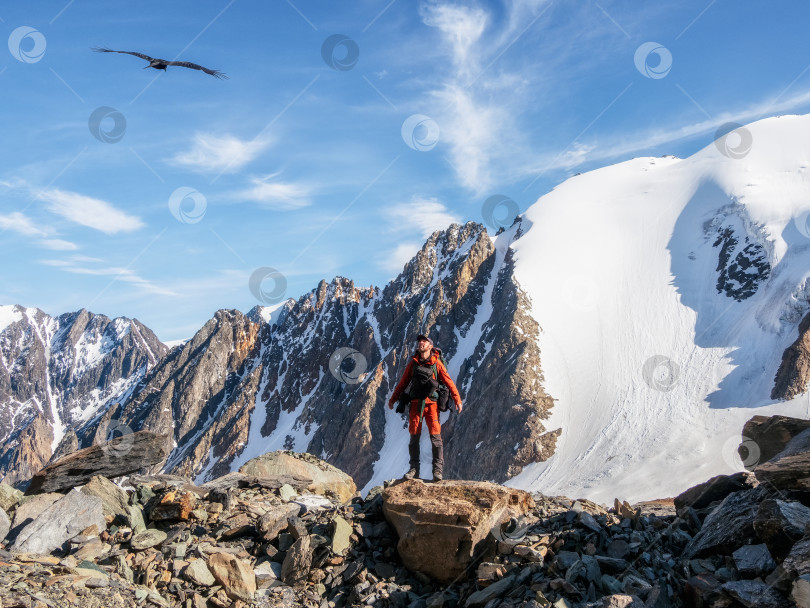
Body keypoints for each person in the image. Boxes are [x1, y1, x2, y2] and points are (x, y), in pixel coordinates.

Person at [387, 334, 463, 481]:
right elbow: (403, 383)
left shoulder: (436, 363)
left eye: (424, 341)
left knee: (435, 438)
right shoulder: (413, 364)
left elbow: (448, 382)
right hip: (416, 404)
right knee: (414, 438)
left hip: (432, 405)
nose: (421, 343)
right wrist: (393, 399)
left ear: (430, 346)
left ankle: (437, 471)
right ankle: (414, 470)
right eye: (420, 341)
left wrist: (457, 400)